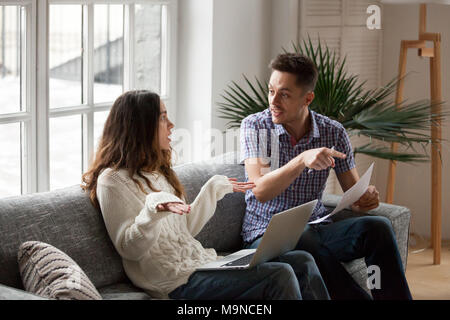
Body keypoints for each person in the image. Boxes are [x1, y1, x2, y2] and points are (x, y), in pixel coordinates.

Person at [81, 89, 330, 300]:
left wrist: (212, 190)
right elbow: (129, 250)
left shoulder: (156, 171)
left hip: (203, 263)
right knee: (280, 274)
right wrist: (150, 213)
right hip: (174, 282)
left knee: (301, 260)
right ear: (140, 127)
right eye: (163, 117)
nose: (171, 125)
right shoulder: (112, 181)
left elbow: (184, 230)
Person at [240, 53, 412, 300]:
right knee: (303, 239)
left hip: (317, 228)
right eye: (271, 91)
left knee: (378, 228)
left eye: (284, 94)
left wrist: (365, 198)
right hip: (265, 236)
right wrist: (301, 159)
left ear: (307, 98)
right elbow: (260, 190)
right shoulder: (256, 127)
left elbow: (354, 195)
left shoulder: (332, 132)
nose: (273, 101)